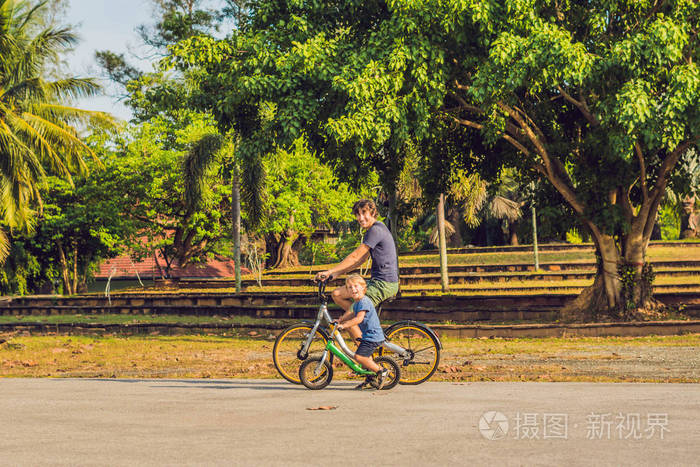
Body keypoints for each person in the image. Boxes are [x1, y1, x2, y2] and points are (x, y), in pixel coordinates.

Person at [315, 199, 400, 343]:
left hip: (384, 284)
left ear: (373, 213)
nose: (361, 218)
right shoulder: (374, 230)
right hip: (377, 282)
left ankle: (365, 352)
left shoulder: (375, 230)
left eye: (364, 213)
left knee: (349, 318)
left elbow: (355, 256)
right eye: (358, 214)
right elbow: (360, 260)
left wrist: (329, 271)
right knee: (337, 294)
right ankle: (363, 324)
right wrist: (336, 274)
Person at [334, 273, 388, 389]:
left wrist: (344, 325)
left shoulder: (364, 301)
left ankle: (381, 371)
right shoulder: (358, 303)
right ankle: (370, 379)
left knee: (359, 357)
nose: (353, 289)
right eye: (350, 287)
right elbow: (353, 313)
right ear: (347, 291)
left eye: (356, 286)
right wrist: (341, 319)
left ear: (363, 287)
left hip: (372, 336)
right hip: (368, 335)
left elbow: (359, 318)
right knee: (365, 359)